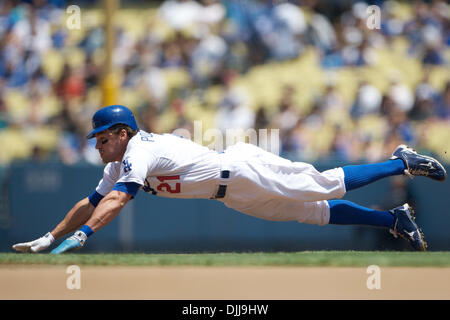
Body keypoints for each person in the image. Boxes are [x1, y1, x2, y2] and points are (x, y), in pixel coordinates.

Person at [12, 105, 447, 254]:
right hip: (231, 195)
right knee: (312, 214)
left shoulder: (140, 150)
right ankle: (393, 220)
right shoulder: (117, 164)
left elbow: (119, 201)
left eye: (102, 138)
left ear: (122, 134)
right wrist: (52, 235)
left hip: (239, 170)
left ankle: (400, 162)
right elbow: (93, 201)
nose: (96, 145)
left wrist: (86, 235)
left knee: (322, 185)